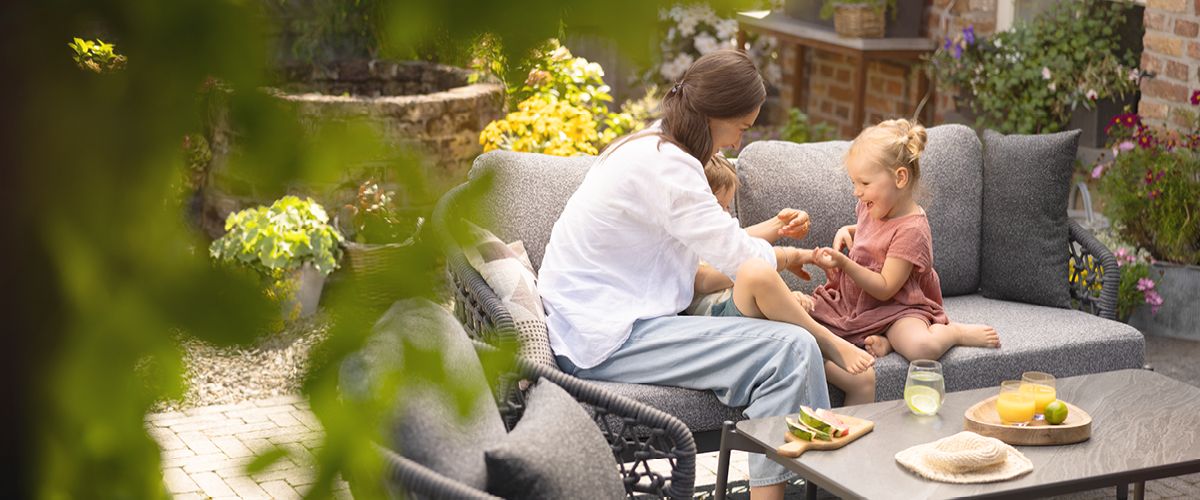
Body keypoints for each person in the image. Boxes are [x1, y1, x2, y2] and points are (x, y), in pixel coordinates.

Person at [538, 50, 843, 500]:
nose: (738, 145)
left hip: (603, 320)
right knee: (792, 348)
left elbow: (712, 253)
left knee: (785, 339)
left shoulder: (650, 145)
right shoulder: (669, 167)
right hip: (604, 336)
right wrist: (783, 256)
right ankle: (810, 485)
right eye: (741, 128)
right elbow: (740, 257)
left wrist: (777, 253)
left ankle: (812, 483)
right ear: (715, 114)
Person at [809, 119, 1001, 370]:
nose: (857, 191)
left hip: (898, 307)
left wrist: (845, 263)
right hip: (858, 302)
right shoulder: (873, 205)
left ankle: (954, 333)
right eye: (854, 183)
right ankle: (888, 341)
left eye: (864, 183)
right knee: (805, 321)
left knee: (921, 348)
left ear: (900, 178)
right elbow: (878, 234)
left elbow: (885, 288)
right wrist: (848, 230)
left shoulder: (913, 230)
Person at [689, 156, 876, 406]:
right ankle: (827, 341)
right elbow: (712, 278)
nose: (725, 216)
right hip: (721, 325)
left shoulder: (721, 234)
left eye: (727, 207)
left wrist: (789, 233)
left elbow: (745, 241)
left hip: (762, 321)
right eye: (718, 207)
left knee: (863, 379)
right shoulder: (682, 243)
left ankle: (852, 444)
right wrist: (790, 255)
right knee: (754, 271)